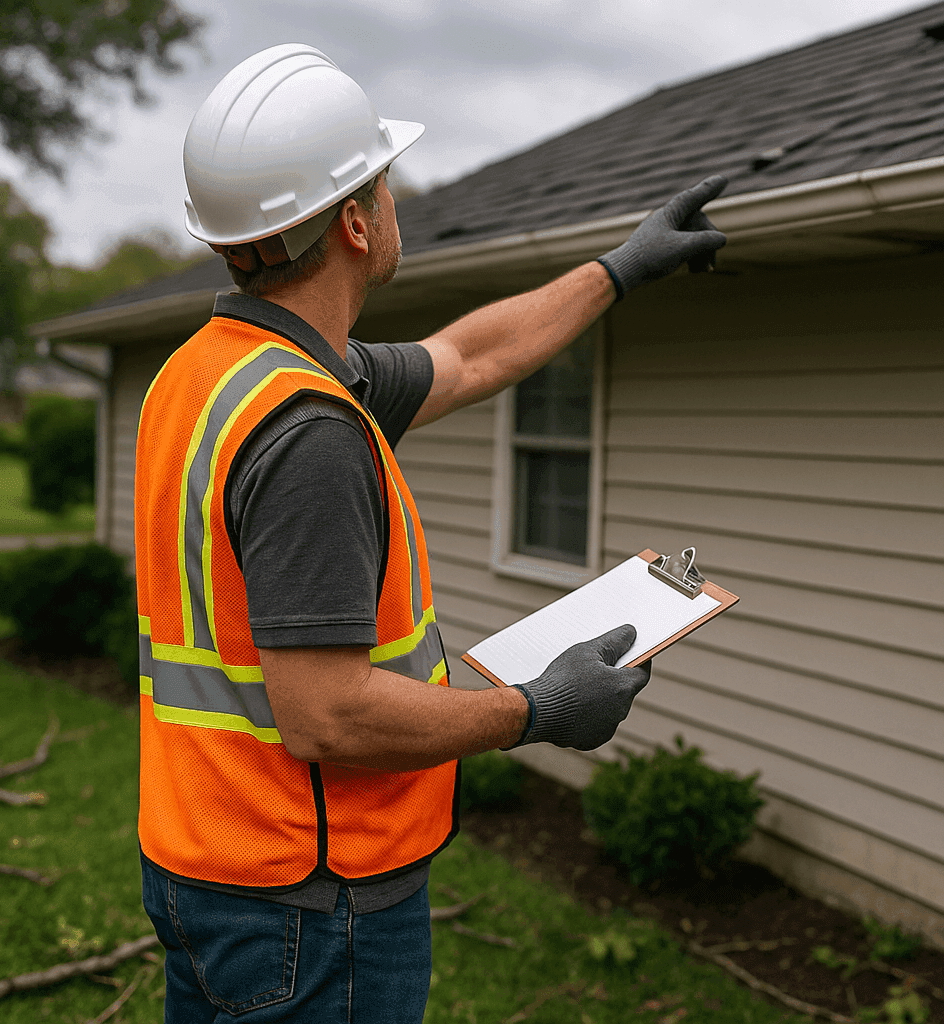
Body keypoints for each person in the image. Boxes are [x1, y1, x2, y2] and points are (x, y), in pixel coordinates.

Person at [133, 43, 727, 1023]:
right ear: (358, 223)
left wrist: (617, 270)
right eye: (387, 184)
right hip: (313, 911)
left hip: (211, 872)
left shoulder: (212, 374)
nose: (399, 202)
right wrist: (536, 710)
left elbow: (469, 357)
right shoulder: (310, 429)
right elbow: (326, 714)